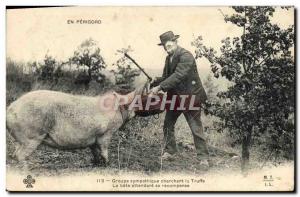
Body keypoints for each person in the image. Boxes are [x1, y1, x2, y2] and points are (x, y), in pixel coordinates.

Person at [150, 31, 211, 170]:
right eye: (165, 46)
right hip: (176, 98)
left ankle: (204, 159)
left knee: (196, 128)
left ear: (175, 42)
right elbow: (168, 76)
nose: (167, 48)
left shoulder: (186, 56)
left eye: (169, 45)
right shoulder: (168, 58)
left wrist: (160, 87)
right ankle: (170, 151)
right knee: (167, 124)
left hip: (190, 97)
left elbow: (178, 75)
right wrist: (157, 81)